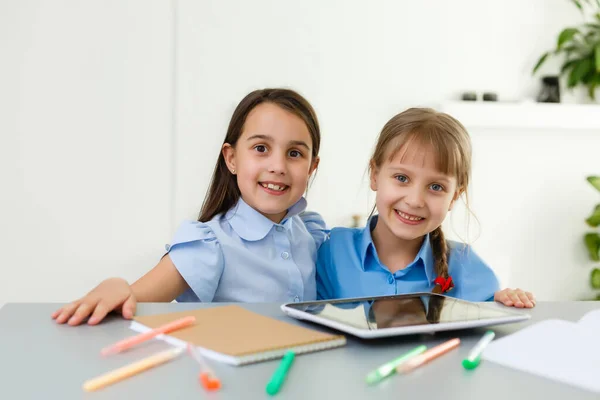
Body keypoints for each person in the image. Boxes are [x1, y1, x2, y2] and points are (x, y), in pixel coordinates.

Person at [53, 88, 327, 326]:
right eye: (260, 148)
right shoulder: (210, 245)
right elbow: (133, 299)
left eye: (294, 154)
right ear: (231, 159)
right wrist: (116, 286)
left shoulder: (312, 234)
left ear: (312, 167)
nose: (277, 167)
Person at [316, 107, 535, 308]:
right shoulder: (333, 251)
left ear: (454, 197)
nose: (415, 200)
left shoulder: (466, 267)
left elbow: (487, 330)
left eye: (436, 186)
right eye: (401, 178)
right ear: (375, 175)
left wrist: (504, 303)